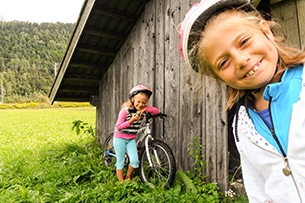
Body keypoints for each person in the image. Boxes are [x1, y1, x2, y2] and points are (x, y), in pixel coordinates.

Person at [178, 0, 305, 202]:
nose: (240, 60)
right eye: (223, 62)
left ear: (266, 31)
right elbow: (256, 187)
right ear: (218, 77)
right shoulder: (242, 126)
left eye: (244, 41)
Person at [113, 84, 160, 181]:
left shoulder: (142, 109)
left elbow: (156, 111)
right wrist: (131, 121)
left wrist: (145, 109)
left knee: (135, 160)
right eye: (138, 102)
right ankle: (121, 183)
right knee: (120, 161)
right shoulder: (125, 111)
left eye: (144, 102)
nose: (141, 104)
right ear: (133, 99)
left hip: (131, 139)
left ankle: (128, 176)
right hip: (120, 138)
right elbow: (118, 126)